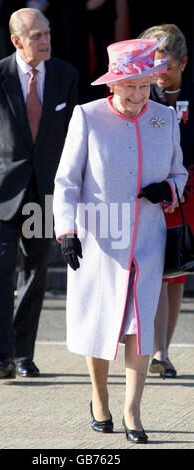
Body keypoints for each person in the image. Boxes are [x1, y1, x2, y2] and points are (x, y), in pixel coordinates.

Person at [53, 38, 188, 443]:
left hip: (148, 240)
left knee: (140, 326)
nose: (138, 94)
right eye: (130, 84)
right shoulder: (88, 116)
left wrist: (168, 189)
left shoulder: (164, 118)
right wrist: (66, 231)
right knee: (100, 324)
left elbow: (180, 175)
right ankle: (99, 397)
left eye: (145, 84)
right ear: (113, 84)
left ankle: (133, 412)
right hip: (99, 240)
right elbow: (65, 181)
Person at [0, 8, 78, 379]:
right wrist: (5, 165)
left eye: (47, 34)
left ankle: (23, 353)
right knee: (0, 268)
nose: (45, 41)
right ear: (16, 41)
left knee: (36, 271)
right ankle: (0, 356)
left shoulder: (65, 75)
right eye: (36, 36)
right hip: (1, 190)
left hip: (45, 192)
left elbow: (70, 134)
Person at [139, 24, 194, 378]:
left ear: (183, 63)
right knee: (157, 270)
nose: (160, 76)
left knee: (178, 273)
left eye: (168, 67)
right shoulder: (142, 95)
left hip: (190, 190)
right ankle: (156, 350)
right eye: (154, 67)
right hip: (156, 191)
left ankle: (165, 350)